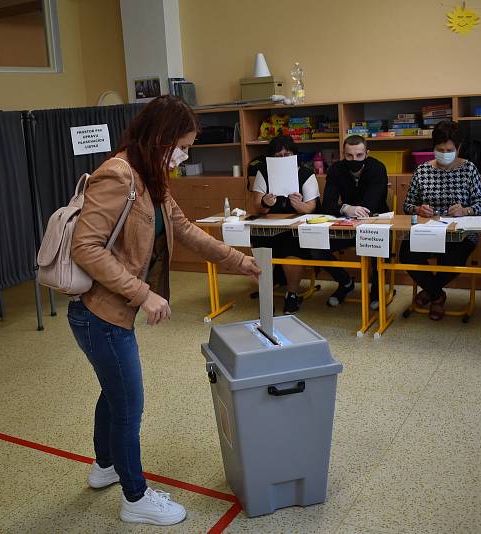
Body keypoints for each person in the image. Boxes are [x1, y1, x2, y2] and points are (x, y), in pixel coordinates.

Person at [70, 95, 261, 526]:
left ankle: (104, 468)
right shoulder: (118, 176)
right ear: (160, 139)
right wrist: (143, 293)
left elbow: (184, 229)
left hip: (111, 313)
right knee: (128, 404)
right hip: (99, 315)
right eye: (182, 145)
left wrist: (238, 260)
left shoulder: (149, 176)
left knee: (113, 392)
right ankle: (135, 499)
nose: (185, 154)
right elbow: (85, 247)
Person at [400, 120, 481, 320]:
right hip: (428, 230)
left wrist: (465, 210)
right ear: (433, 148)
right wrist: (419, 209)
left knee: (454, 257)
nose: (444, 153)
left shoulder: (469, 169)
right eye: (440, 149)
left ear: (459, 148)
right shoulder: (422, 171)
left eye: (449, 149)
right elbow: (407, 205)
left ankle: (431, 292)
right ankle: (437, 295)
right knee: (406, 254)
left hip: (460, 232)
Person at [314, 135, 389, 309]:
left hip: (375, 224)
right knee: (316, 247)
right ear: (343, 154)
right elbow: (328, 205)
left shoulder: (377, 168)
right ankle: (345, 282)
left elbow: (370, 205)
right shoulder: (335, 169)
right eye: (349, 156)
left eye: (359, 155)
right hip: (346, 225)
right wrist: (345, 208)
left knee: (376, 247)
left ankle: (376, 289)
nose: (354, 160)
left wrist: (352, 209)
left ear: (367, 154)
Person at [249, 135, 320, 314]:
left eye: (287, 154)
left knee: (292, 253)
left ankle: (292, 294)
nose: (283, 158)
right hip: (268, 226)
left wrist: (299, 205)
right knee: (262, 251)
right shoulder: (263, 172)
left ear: (294, 155)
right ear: (271, 157)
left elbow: (312, 208)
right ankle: (266, 296)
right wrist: (266, 203)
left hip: (293, 228)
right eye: (278, 155)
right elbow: (257, 207)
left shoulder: (305, 173)